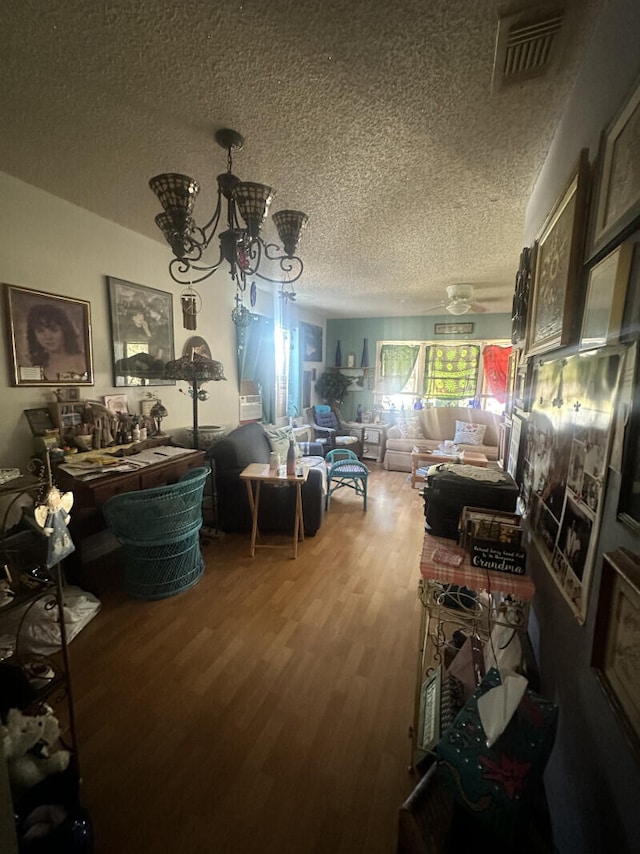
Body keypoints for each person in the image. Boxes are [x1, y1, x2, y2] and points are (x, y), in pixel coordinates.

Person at [27, 303, 87, 381]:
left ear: (65, 330)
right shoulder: (36, 368)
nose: (48, 337)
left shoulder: (85, 360)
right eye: (40, 331)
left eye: (54, 329)